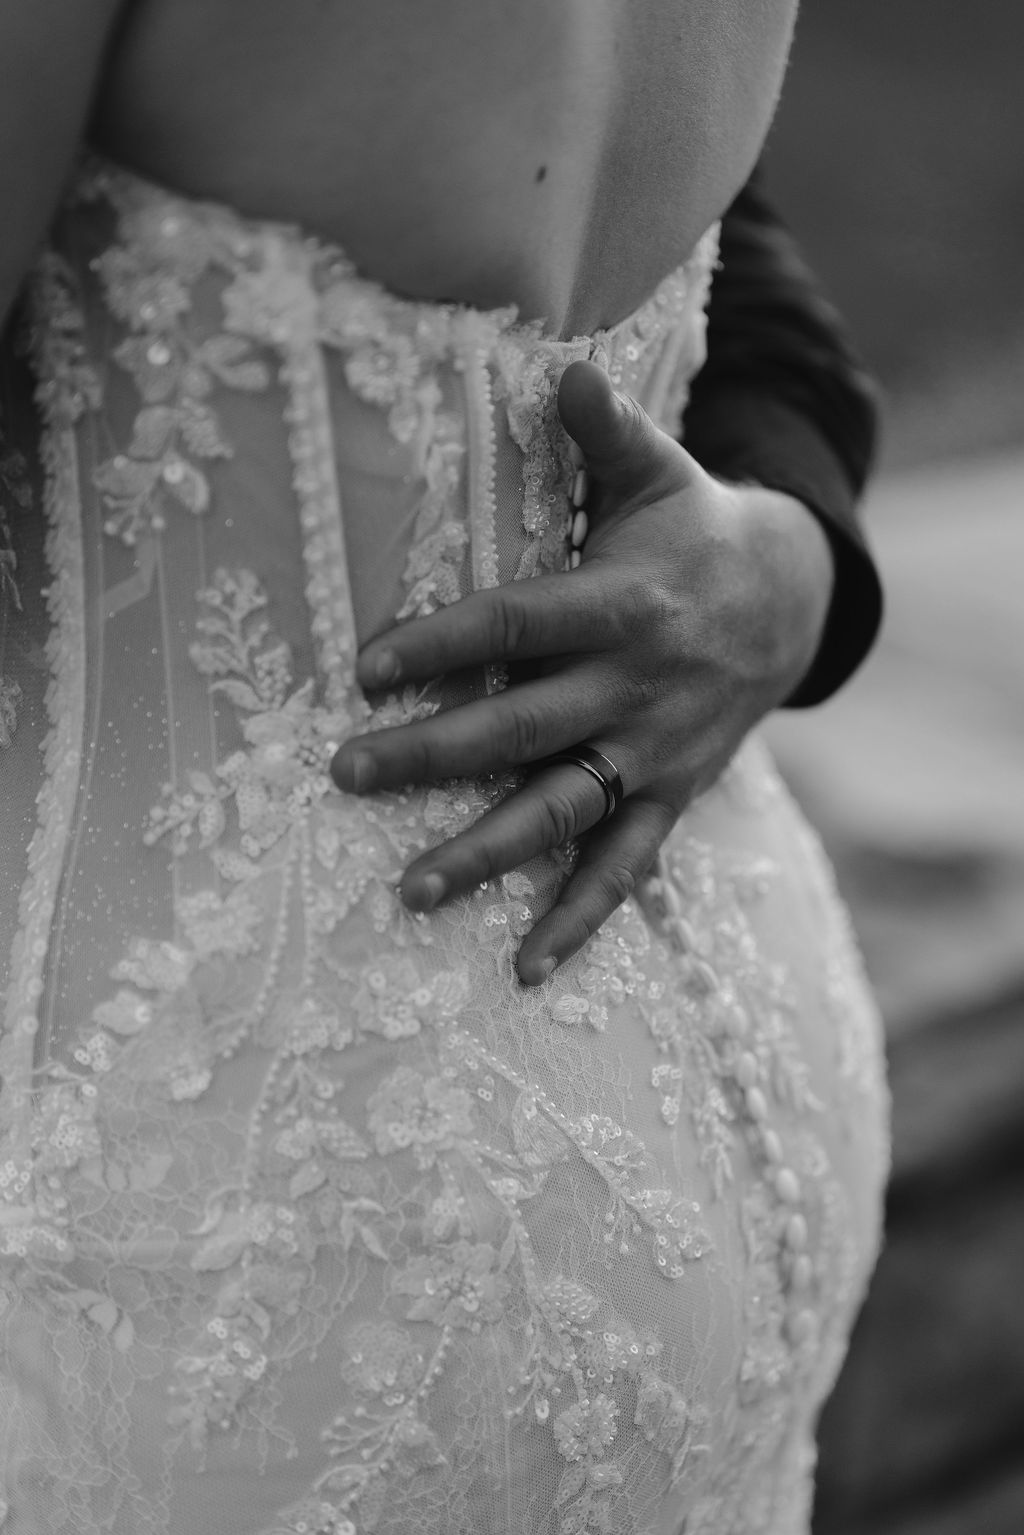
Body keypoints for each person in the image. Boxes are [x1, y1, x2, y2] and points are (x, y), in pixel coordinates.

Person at [0, 4, 889, 1533]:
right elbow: (728, 235)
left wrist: (786, 577)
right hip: (730, 1052)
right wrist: (796, 561)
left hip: (192, 1229)